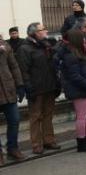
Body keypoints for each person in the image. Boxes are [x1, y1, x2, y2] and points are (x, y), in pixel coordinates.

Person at [17, 22, 62, 154]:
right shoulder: (25, 48)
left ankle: (49, 140)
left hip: (49, 86)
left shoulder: (46, 45)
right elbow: (23, 70)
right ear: (35, 33)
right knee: (36, 117)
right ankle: (36, 144)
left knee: (48, 114)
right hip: (36, 88)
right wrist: (28, 87)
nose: (46, 31)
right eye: (43, 30)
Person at [57, 29, 86, 152]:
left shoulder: (80, 51)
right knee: (82, 116)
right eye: (82, 38)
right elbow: (74, 76)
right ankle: (82, 142)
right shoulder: (70, 55)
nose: (84, 40)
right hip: (79, 89)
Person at [0, 37, 26, 165]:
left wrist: (20, 85)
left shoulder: (5, 44)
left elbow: (14, 66)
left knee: (14, 120)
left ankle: (12, 148)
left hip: (8, 89)